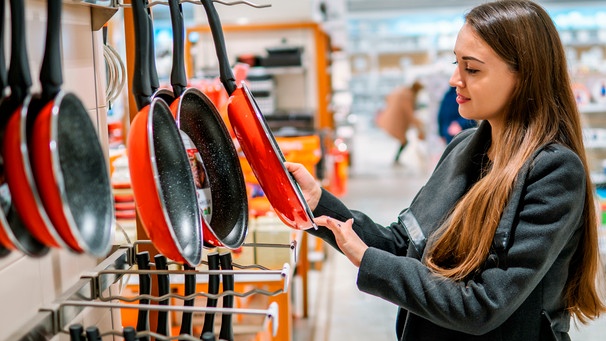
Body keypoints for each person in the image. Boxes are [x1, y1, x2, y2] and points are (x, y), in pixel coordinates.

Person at [285, 1, 606, 340]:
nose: (455, 79)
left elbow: (484, 305)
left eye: (473, 69)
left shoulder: (552, 171)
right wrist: (316, 202)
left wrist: (369, 261)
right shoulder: (463, 149)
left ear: (524, 76)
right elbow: (402, 243)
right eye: (457, 63)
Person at [376, 80, 426, 164]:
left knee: (403, 141)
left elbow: (388, 97)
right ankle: (396, 159)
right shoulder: (407, 95)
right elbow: (409, 113)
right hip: (395, 121)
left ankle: (396, 159)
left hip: (391, 117)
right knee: (404, 141)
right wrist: (419, 126)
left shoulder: (402, 91)